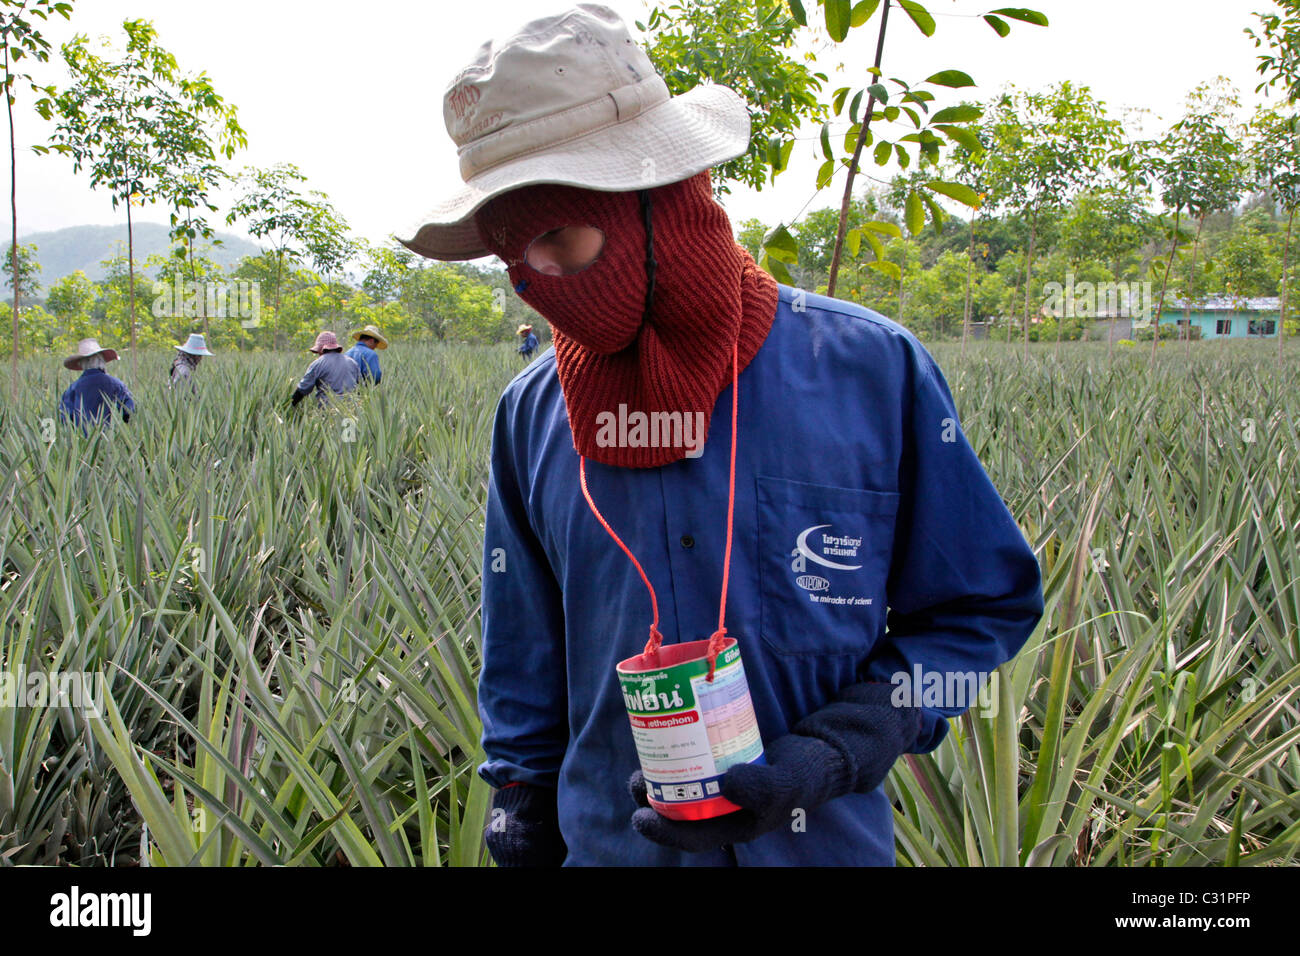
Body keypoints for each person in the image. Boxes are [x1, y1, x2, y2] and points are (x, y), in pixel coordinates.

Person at [400, 5, 1044, 866]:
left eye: (560, 236)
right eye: (517, 256)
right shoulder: (532, 414)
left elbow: (980, 606)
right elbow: (524, 646)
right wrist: (519, 800)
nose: (539, 279)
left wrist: (847, 743)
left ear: (656, 204)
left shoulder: (871, 371)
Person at [59, 338, 134, 428]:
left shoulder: (73, 388)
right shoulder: (117, 384)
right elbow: (129, 411)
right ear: (101, 361)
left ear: (82, 363)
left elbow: (65, 418)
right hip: (113, 439)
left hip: (82, 440)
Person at [290, 331, 360, 407]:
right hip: (352, 410)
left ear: (321, 349)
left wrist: (290, 405)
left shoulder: (318, 364)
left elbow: (303, 389)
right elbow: (360, 389)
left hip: (328, 412)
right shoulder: (352, 363)